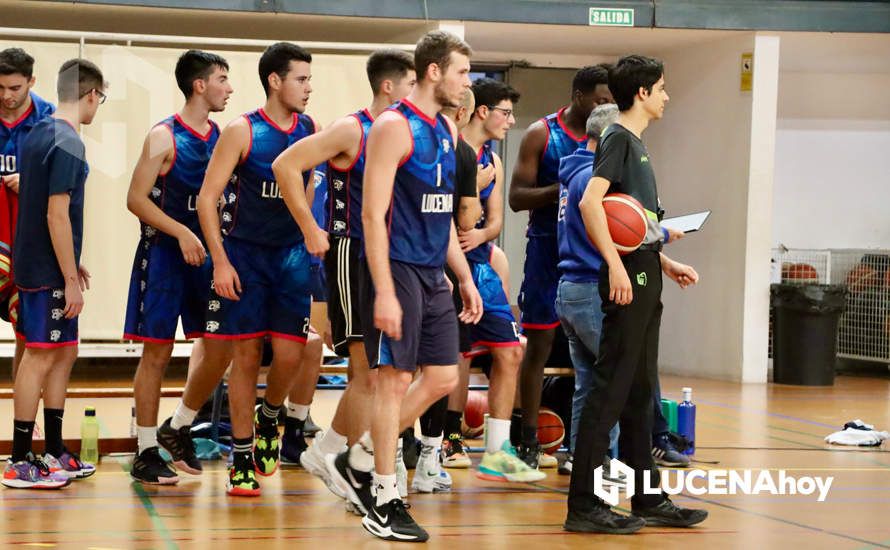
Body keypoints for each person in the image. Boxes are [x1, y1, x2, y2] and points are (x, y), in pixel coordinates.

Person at [327, 30, 482, 543]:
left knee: (441, 377)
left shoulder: (448, 132)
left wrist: (462, 276)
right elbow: (372, 215)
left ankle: (364, 455)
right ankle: (385, 495)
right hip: (394, 268)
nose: (467, 83)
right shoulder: (394, 126)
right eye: (461, 72)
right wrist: (386, 291)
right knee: (392, 380)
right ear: (434, 71)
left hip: (433, 272)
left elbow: (441, 221)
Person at [564, 55, 707, 533]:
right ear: (642, 93)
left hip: (646, 272)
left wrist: (664, 259)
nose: (667, 96)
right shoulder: (619, 139)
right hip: (626, 280)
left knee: (641, 393)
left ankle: (647, 497)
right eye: (662, 88)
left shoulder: (636, 145)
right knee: (609, 392)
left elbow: (635, 227)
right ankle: (583, 505)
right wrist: (613, 266)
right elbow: (591, 203)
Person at [271, 48, 416, 499]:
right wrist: (308, 226)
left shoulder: (407, 132)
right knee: (367, 372)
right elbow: (285, 165)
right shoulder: (352, 128)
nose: (416, 94)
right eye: (411, 85)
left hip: (390, 257)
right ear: (389, 87)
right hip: (351, 253)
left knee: (385, 373)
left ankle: (343, 456)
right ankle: (343, 457)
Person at [197, 42, 317, 497]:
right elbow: (208, 200)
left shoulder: (309, 129)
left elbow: (303, 196)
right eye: (301, 79)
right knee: (245, 356)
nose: (309, 88)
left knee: (291, 354)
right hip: (244, 256)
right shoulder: (242, 130)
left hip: (290, 257)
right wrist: (221, 261)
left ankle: (272, 415)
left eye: (309, 79)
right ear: (275, 80)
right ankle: (241, 456)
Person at [124, 49, 232, 485]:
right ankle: (146, 450)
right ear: (199, 85)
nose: (229, 87)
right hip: (166, 254)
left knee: (220, 344)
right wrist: (182, 233)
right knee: (158, 352)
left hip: (207, 256)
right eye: (222, 78)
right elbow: (134, 198)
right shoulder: (163, 136)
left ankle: (180, 424)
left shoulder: (221, 134)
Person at [3, 58, 106, 489]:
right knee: (40, 355)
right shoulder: (67, 141)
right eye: (99, 99)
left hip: (45, 261)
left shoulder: (40, 132)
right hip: (46, 272)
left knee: (63, 354)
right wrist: (66, 276)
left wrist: (72, 261)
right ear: (90, 95)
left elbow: (36, 206)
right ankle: (20, 459)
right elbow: (56, 214)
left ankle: (54, 451)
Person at [509, 64, 612, 469]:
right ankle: (528, 440)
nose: (606, 107)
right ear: (579, 96)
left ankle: (580, 447)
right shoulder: (542, 133)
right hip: (546, 249)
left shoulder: (607, 140)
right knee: (537, 345)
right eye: (601, 100)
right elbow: (517, 197)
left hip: (586, 253)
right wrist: (568, 186)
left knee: (583, 356)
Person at [453, 77, 544, 483]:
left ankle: (497, 450)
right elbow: (453, 218)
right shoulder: (453, 150)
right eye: (506, 113)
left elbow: (494, 222)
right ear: (483, 112)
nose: (511, 121)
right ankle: (445, 439)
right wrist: (475, 190)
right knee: (453, 358)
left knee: (510, 351)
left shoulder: (494, 157)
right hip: (447, 267)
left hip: (481, 264)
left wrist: (482, 235)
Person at [0, 48, 55, 380]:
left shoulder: (50, 120)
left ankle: (25, 417)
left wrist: (34, 183)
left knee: (28, 330)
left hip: (31, 239)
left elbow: (67, 183)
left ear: (32, 81)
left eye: (15, 88)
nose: (6, 96)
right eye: (0, 88)